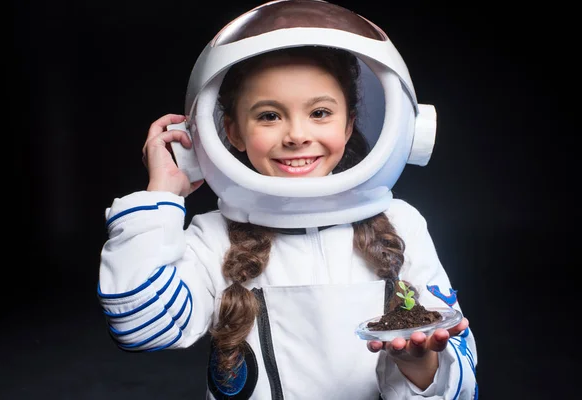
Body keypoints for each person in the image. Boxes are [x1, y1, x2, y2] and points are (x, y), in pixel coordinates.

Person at [97, 1, 478, 399]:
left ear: (349, 125)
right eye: (268, 116)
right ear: (232, 132)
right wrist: (161, 194)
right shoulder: (213, 237)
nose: (296, 135)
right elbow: (140, 327)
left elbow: (457, 375)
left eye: (319, 112)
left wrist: (421, 365)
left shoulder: (401, 224)